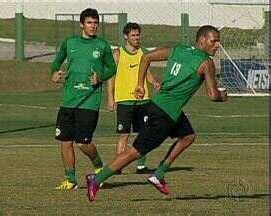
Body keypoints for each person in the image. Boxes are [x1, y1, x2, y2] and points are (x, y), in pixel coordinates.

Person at [86, 25, 228, 202]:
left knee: (188, 136)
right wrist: (224, 95)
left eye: (218, 42)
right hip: (165, 115)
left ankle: (159, 174)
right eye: (214, 41)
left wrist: (139, 83)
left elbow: (146, 57)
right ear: (202, 39)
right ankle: (97, 179)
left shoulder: (179, 49)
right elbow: (213, 95)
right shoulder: (206, 63)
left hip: (162, 107)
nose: (217, 45)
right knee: (135, 152)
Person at [50, 8, 117, 190]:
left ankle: (99, 167)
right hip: (68, 101)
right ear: (81, 24)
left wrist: (100, 76)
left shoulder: (102, 46)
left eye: (95, 23)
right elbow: (56, 63)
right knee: (65, 141)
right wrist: (54, 74)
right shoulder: (69, 43)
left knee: (82, 143)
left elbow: (112, 68)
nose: (93, 26)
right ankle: (71, 180)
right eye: (89, 23)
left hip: (89, 102)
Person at [107, 22, 160, 175]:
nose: (136, 38)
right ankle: (117, 166)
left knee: (144, 133)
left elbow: (147, 73)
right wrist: (111, 98)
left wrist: (154, 83)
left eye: (138, 35)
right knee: (124, 134)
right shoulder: (117, 54)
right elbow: (111, 77)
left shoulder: (143, 52)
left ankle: (141, 166)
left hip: (143, 99)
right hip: (124, 99)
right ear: (126, 36)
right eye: (133, 35)